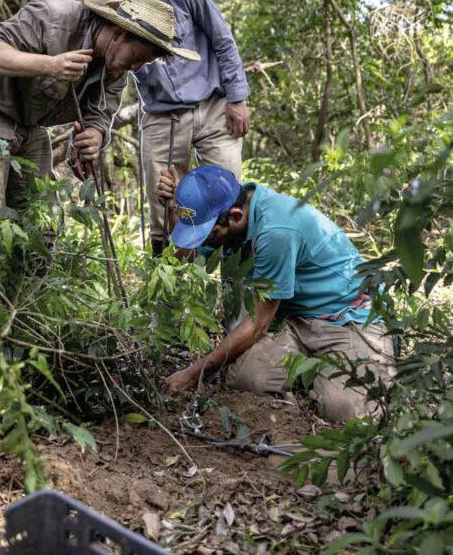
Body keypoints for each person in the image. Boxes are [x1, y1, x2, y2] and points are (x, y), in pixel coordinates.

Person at [158, 165, 395, 422]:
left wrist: (192, 374)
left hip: (347, 318)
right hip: (294, 318)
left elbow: (257, 325)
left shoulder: (275, 232)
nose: (205, 241)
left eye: (209, 234)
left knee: (347, 413)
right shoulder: (226, 206)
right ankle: (318, 373)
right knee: (247, 379)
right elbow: (186, 256)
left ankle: (341, 373)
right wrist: (174, 209)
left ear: (236, 216)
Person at [0, 0, 199, 217]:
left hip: (30, 127)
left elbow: (100, 115)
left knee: (42, 222)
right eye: (136, 57)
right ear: (119, 32)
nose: (135, 68)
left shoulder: (115, 68)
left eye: (143, 64)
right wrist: (51, 65)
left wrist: (95, 135)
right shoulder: (54, 15)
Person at [87, 0, 250, 256]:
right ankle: (169, 291)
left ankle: (233, 287)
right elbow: (110, 78)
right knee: (164, 208)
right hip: (161, 116)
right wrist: (97, 127)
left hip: (213, 107)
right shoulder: (110, 19)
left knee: (227, 198)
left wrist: (237, 97)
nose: (122, 2)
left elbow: (222, 40)